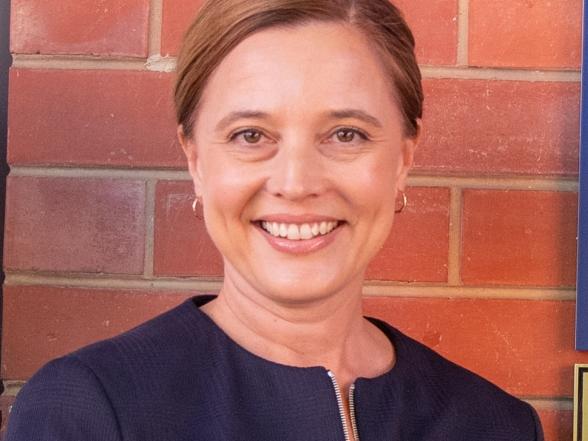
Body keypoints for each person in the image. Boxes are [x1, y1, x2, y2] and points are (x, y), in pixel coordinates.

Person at [6, 1, 544, 440]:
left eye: (346, 134)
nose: (296, 181)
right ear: (196, 161)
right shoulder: (89, 411)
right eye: (251, 136)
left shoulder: (495, 424)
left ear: (403, 160)